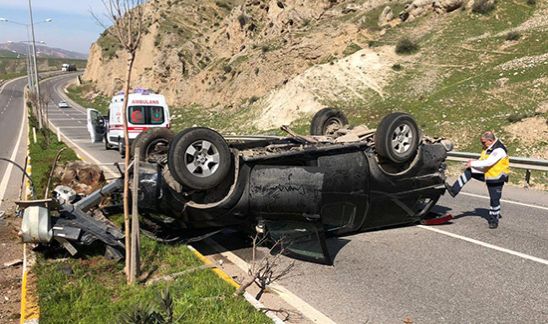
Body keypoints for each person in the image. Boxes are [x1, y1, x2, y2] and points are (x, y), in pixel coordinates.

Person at [445, 131, 510, 229]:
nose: (482, 144)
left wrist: (473, 164)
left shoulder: (499, 149)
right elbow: (482, 160)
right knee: (469, 171)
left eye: (483, 142)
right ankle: (454, 190)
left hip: (496, 178)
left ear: (490, 140)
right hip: (487, 174)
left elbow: (489, 162)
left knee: (494, 200)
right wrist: (473, 163)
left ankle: (494, 220)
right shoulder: (488, 147)